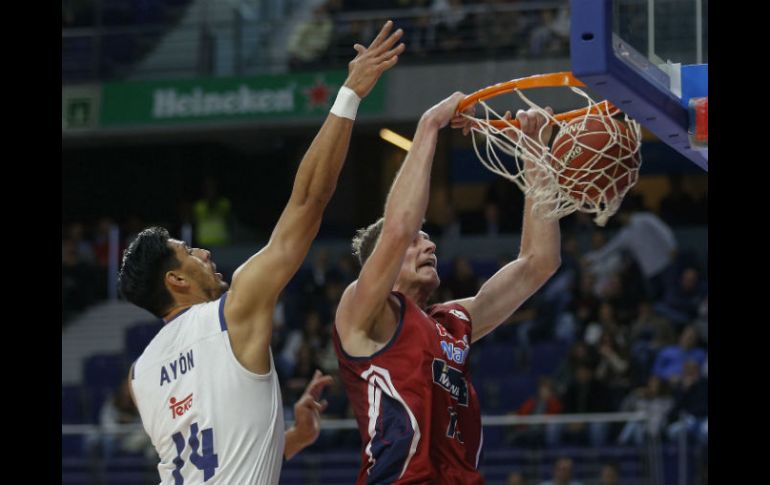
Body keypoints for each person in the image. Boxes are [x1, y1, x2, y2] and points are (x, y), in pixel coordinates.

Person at [118, 21, 405, 484]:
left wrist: (291, 439)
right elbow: (308, 202)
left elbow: (209, 460)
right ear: (176, 280)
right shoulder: (232, 313)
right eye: (188, 251)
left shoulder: (140, 374)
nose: (204, 252)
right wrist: (349, 94)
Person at [332, 94, 562, 483]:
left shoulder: (453, 322)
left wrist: (536, 153)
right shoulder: (363, 314)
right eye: (416, 241)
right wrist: (429, 124)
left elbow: (539, 262)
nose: (430, 245)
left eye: (428, 238)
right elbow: (398, 228)